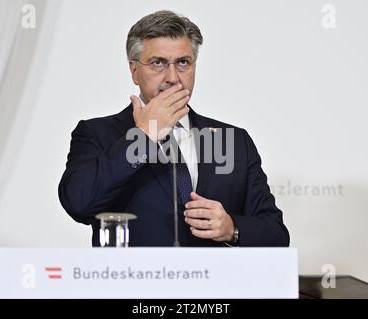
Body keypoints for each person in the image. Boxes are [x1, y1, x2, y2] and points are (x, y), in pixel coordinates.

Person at [58, 10, 289, 247]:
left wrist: (232, 228)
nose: (172, 77)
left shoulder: (233, 141)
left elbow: (276, 235)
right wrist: (143, 137)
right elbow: (78, 204)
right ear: (134, 71)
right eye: (158, 63)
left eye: (183, 63)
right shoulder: (98, 133)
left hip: (214, 282)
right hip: (135, 280)